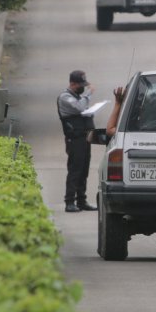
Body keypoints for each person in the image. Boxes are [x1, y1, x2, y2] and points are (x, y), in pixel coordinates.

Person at [58, 70, 98, 212]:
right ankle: (69, 201)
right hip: (74, 139)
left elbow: (82, 110)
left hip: (84, 137)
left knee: (84, 170)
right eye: (80, 85)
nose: (83, 88)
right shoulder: (65, 97)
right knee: (75, 170)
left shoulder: (77, 97)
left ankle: (81, 200)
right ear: (72, 83)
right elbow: (80, 107)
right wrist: (88, 94)